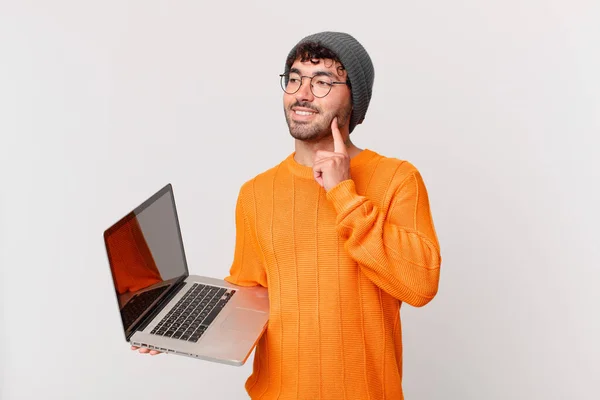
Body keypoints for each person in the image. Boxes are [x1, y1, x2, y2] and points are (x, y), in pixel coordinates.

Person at [133, 31, 442, 400]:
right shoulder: (256, 193)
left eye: (323, 81)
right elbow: (252, 295)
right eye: (294, 78)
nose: (302, 93)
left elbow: (421, 285)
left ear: (355, 100)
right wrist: (178, 324)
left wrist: (343, 193)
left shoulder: (397, 178)